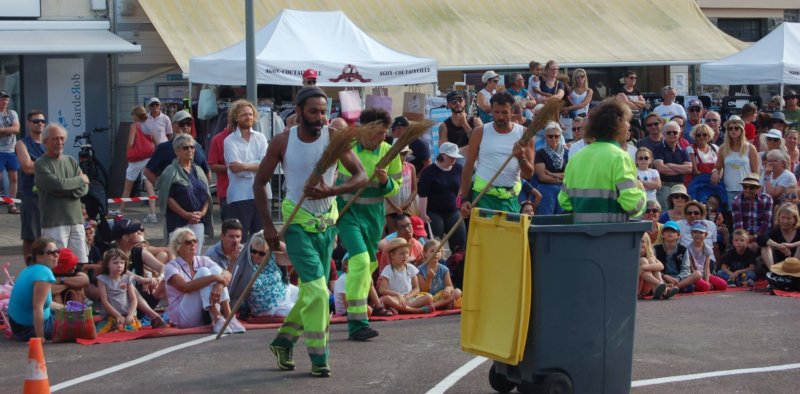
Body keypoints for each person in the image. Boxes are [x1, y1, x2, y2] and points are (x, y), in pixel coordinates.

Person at [253, 86, 366, 376]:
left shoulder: (334, 139)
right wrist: (268, 226)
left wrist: (332, 190)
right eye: (313, 111)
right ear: (299, 111)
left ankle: (283, 341)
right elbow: (260, 182)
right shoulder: (281, 141)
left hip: (328, 224)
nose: (320, 117)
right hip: (298, 223)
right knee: (317, 291)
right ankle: (319, 359)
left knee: (308, 294)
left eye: (324, 111)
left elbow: (360, 176)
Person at [332, 108, 401, 345]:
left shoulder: (390, 153)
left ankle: (355, 315)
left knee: (367, 265)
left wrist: (386, 181)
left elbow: (396, 187)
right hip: (348, 212)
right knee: (360, 261)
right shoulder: (347, 146)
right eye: (380, 132)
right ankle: (357, 322)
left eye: (385, 133)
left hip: (374, 217)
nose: (383, 137)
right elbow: (332, 176)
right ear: (366, 129)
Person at [558, 98, 646, 222]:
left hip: (579, 236)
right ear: (617, 125)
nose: (629, 126)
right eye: (626, 122)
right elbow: (633, 205)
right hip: (612, 236)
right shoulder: (620, 157)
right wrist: (640, 189)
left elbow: (564, 201)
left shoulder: (576, 158)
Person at [461, 92, 534, 217]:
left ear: (512, 112)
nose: (500, 117)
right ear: (491, 112)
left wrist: (521, 157)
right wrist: (465, 199)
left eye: (505, 112)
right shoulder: (479, 133)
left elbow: (528, 174)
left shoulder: (525, 135)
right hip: (483, 197)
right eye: (496, 112)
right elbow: (468, 168)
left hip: (511, 199)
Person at [164, 228, 245, 333]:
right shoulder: (171, 266)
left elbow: (226, 274)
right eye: (188, 242)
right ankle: (218, 319)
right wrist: (213, 278)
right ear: (178, 247)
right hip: (184, 317)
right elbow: (185, 287)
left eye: (195, 241)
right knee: (204, 272)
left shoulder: (203, 260)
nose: (193, 244)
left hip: (203, 312)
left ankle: (230, 317)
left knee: (216, 270)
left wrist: (219, 285)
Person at [34, 124, 89, 263]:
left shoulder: (71, 160)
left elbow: (84, 189)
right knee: (56, 264)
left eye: (61, 138)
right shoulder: (41, 164)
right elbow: (57, 184)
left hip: (76, 220)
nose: (59, 142)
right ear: (45, 141)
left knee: (80, 262)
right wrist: (80, 180)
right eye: (54, 139)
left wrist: (64, 189)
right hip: (54, 222)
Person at [156, 134, 211, 251]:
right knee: (179, 256)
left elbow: (207, 195)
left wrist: (202, 213)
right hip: (178, 222)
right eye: (185, 148)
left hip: (198, 221)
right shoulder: (170, 171)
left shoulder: (199, 170)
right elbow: (167, 197)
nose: (190, 150)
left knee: (195, 256)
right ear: (177, 151)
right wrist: (185, 214)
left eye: (192, 147)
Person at [109, 219, 167, 327]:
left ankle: (180, 312)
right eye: (135, 231)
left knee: (167, 280)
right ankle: (155, 317)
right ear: (125, 237)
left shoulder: (137, 251)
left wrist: (159, 277)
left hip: (141, 302)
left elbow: (161, 266)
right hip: (122, 304)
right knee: (128, 283)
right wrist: (141, 279)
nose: (139, 232)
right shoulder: (111, 253)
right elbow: (122, 272)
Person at [224, 99, 269, 239]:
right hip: (240, 195)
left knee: (261, 239)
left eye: (250, 114)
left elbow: (266, 165)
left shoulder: (261, 138)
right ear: (236, 117)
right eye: (244, 114)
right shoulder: (229, 141)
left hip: (261, 194)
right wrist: (256, 166)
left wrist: (244, 166)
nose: (248, 117)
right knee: (239, 239)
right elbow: (235, 168)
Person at [7, 238, 63, 341]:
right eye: (51, 253)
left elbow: (47, 303)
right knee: (77, 324)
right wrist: (40, 337)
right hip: (27, 329)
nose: (56, 255)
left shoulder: (30, 268)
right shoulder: (44, 273)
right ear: (39, 257)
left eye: (57, 251)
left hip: (17, 326)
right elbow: (37, 307)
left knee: (70, 313)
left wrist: (66, 308)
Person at [143, 110, 210, 188]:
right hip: (173, 195)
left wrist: (204, 190)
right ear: (173, 125)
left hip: (195, 195)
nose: (185, 127)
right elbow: (148, 171)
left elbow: (207, 172)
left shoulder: (198, 147)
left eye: (188, 124)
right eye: (182, 123)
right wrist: (161, 188)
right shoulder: (163, 148)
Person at [418, 142, 465, 253]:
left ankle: (457, 265)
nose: (454, 159)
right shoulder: (429, 172)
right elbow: (423, 194)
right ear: (443, 155)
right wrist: (423, 213)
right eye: (451, 157)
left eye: (455, 157)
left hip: (452, 210)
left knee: (460, 240)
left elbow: (462, 184)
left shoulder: (458, 168)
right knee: (435, 243)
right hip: (434, 212)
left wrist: (461, 200)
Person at [116, 105, 158, 222]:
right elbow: (157, 141)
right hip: (148, 158)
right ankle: (153, 213)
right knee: (149, 186)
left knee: (128, 185)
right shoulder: (150, 125)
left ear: (135, 115)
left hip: (135, 160)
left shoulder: (134, 126)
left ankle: (121, 209)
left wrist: (129, 149)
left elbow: (130, 143)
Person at [242, 231, 297, 317]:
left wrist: (277, 243)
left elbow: (295, 258)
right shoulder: (246, 263)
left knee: (315, 296)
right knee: (300, 310)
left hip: (286, 291)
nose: (256, 255)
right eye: (253, 251)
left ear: (268, 252)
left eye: (261, 253)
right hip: (271, 307)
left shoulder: (272, 257)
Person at [15, 110, 46, 262]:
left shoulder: (49, 142)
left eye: (42, 121)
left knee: (46, 235)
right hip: (31, 195)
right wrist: (49, 166)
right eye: (36, 121)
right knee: (30, 235)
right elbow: (27, 167)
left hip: (50, 194)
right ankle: (30, 268)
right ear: (28, 124)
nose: (40, 123)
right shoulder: (22, 144)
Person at [712, 116, 759, 208]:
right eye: (730, 128)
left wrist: (755, 189)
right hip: (729, 189)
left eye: (736, 128)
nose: (733, 130)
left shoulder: (750, 148)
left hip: (747, 190)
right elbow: (718, 167)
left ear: (741, 130)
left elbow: (755, 172)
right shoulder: (723, 148)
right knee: (731, 217)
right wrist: (715, 171)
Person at [377, 238, 434, 314]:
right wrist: (397, 294)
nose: (405, 256)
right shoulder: (388, 269)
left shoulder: (410, 268)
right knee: (386, 299)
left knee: (429, 297)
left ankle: (402, 308)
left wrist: (407, 297)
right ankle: (415, 310)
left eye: (407, 253)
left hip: (409, 298)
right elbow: (382, 290)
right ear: (392, 255)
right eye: (402, 253)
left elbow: (416, 288)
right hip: (396, 299)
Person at [95, 248, 141, 333]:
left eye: (122, 262)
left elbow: (134, 299)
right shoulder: (103, 279)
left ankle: (122, 324)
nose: (119, 265)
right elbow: (104, 301)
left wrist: (130, 314)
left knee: (131, 327)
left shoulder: (127, 278)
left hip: (126, 314)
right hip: (111, 315)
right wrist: (118, 316)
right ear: (107, 264)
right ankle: (115, 324)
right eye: (115, 262)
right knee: (101, 329)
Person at [653, 121, 692, 209]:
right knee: (665, 210)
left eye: (675, 132)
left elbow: (689, 169)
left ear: (679, 134)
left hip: (680, 185)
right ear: (664, 134)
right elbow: (661, 169)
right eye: (668, 132)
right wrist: (681, 169)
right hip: (664, 185)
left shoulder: (683, 150)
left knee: (681, 210)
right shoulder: (658, 148)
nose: (672, 134)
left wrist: (670, 165)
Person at [655, 221, 702, 292]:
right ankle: (672, 288)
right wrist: (664, 276)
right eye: (667, 231)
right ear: (662, 235)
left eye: (673, 231)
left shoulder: (683, 249)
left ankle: (671, 288)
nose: (670, 233)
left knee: (697, 274)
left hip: (678, 279)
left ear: (678, 235)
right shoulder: (655, 249)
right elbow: (654, 269)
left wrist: (677, 279)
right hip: (662, 277)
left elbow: (686, 269)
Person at [733, 173, 773, 251]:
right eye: (745, 187)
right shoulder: (736, 201)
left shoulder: (767, 199)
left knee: (754, 246)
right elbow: (738, 224)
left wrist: (755, 236)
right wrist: (744, 238)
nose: (747, 190)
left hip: (762, 234)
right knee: (744, 246)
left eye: (751, 187)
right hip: (744, 236)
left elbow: (766, 223)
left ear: (757, 188)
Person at [417, 240, 462, 310]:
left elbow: (450, 286)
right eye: (432, 251)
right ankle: (442, 305)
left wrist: (448, 288)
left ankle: (434, 305)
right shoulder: (420, 270)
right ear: (424, 253)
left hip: (440, 297)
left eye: (438, 251)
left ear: (441, 254)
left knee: (458, 291)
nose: (436, 253)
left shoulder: (444, 269)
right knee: (427, 297)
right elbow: (423, 290)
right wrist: (429, 278)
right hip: (426, 297)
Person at [534, 121, 568, 215]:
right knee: (546, 218)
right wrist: (561, 178)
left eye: (556, 136)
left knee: (563, 219)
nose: (553, 138)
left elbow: (570, 175)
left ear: (560, 137)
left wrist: (552, 174)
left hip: (563, 190)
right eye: (550, 136)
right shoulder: (540, 153)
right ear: (545, 137)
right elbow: (542, 177)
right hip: (547, 190)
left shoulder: (566, 153)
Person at [683, 221, 727, 292]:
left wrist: (707, 281)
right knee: (705, 287)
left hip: (704, 274)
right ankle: (693, 286)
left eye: (701, 233)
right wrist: (705, 282)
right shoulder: (688, 249)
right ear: (691, 234)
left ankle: (706, 285)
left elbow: (707, 267)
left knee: (723, 285)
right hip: (694, 275)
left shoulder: (707, 249)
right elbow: (691, 268)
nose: (698, 235)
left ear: (705, 235)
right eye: (695, 232)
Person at [384, 144, 418, 232]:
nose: (403, 156)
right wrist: (394, 206)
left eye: (405, 153)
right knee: (393, 235)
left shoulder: (411, 167)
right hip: (391, 208)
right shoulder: (388, 169)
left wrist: (408, 202)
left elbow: (414, 189)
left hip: (407, 207)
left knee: (408, 232)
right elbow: (384, 190)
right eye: (401, 154)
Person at [439, 90, 482, 161]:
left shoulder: (475, 121)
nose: (458, 103)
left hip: (474, 160)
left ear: (464, 102)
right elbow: (443, 149)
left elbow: (481, 143)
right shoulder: (444, 126)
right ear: (449, 105)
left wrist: (465, 124)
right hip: (454, 161)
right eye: (453, 101)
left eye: (460, 100)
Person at [207, 118, 235, 222]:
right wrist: (232, 169)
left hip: (249, 193)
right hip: (226, 192)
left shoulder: (250, 137)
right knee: (230, 228)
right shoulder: (218, 139)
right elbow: (212, 165)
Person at [757, 203, 800, 269]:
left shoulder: (798, 231)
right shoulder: (775, 231)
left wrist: (792, 245)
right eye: (783, 217)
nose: (785, 221)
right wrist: (779, 246)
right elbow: (760, 238)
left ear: (794, 219)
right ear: (778, 218)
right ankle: (773, 272)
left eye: (789, 218)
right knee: (765, 246)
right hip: (777, 265)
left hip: (796, 266)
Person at [638, 234, 678, 300]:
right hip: (636, 289)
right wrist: (660, 284)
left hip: (647, 288)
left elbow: (661, 266)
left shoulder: (649, 255)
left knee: (651, 260)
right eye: (638, 241)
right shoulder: (632, 255)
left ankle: (658, 291)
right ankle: (663, 288)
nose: (640, 244)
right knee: (643, 260)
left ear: (647, 244)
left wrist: (644, 267)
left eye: (642, 241)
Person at [0, 90, 19, 214]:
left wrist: (2, 130)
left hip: (11, 150)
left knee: (14, 179)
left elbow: (16, 129)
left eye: (6, 99)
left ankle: (11, 204)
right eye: (2, 99)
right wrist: (9, 129)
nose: (5, 101)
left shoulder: (12, 113)